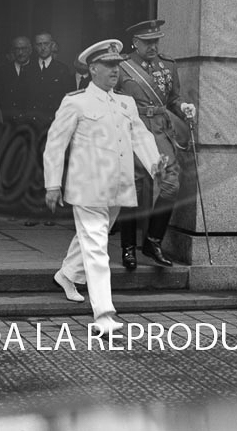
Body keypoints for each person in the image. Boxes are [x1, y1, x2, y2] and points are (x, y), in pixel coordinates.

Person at [44, 39, 164, 336]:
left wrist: (154, 163)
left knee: (90, 237)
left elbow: (140, 135)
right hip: (87, 186)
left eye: (117, 64)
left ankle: (67, 274)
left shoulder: (125, 102)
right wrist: (52, 184)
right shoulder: (76, 101)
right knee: (98, 247)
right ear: (93, 68)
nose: (115, 70)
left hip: (118, 186)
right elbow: (55, 144)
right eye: (109, 65)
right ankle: (104, 315)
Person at [115, 20, 196, 269]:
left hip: (160, 130)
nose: (153, 46)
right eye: (147, 42)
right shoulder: (122, 66)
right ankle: (128, 248)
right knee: (135, 188)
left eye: (156, 41)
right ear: (135, 43)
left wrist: (184, 107)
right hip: (133, 129)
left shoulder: (168, 65)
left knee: (171, 184)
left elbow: (174, 98)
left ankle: (152, 241)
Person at [30, 31, 75, 127]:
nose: (43, 48)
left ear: (52, 45)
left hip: (54, 123)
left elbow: (68, 100)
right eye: (39, 44)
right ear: (34, 47)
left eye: (46, 44)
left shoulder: (62, 69)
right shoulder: (28, 68)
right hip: (32, 124)